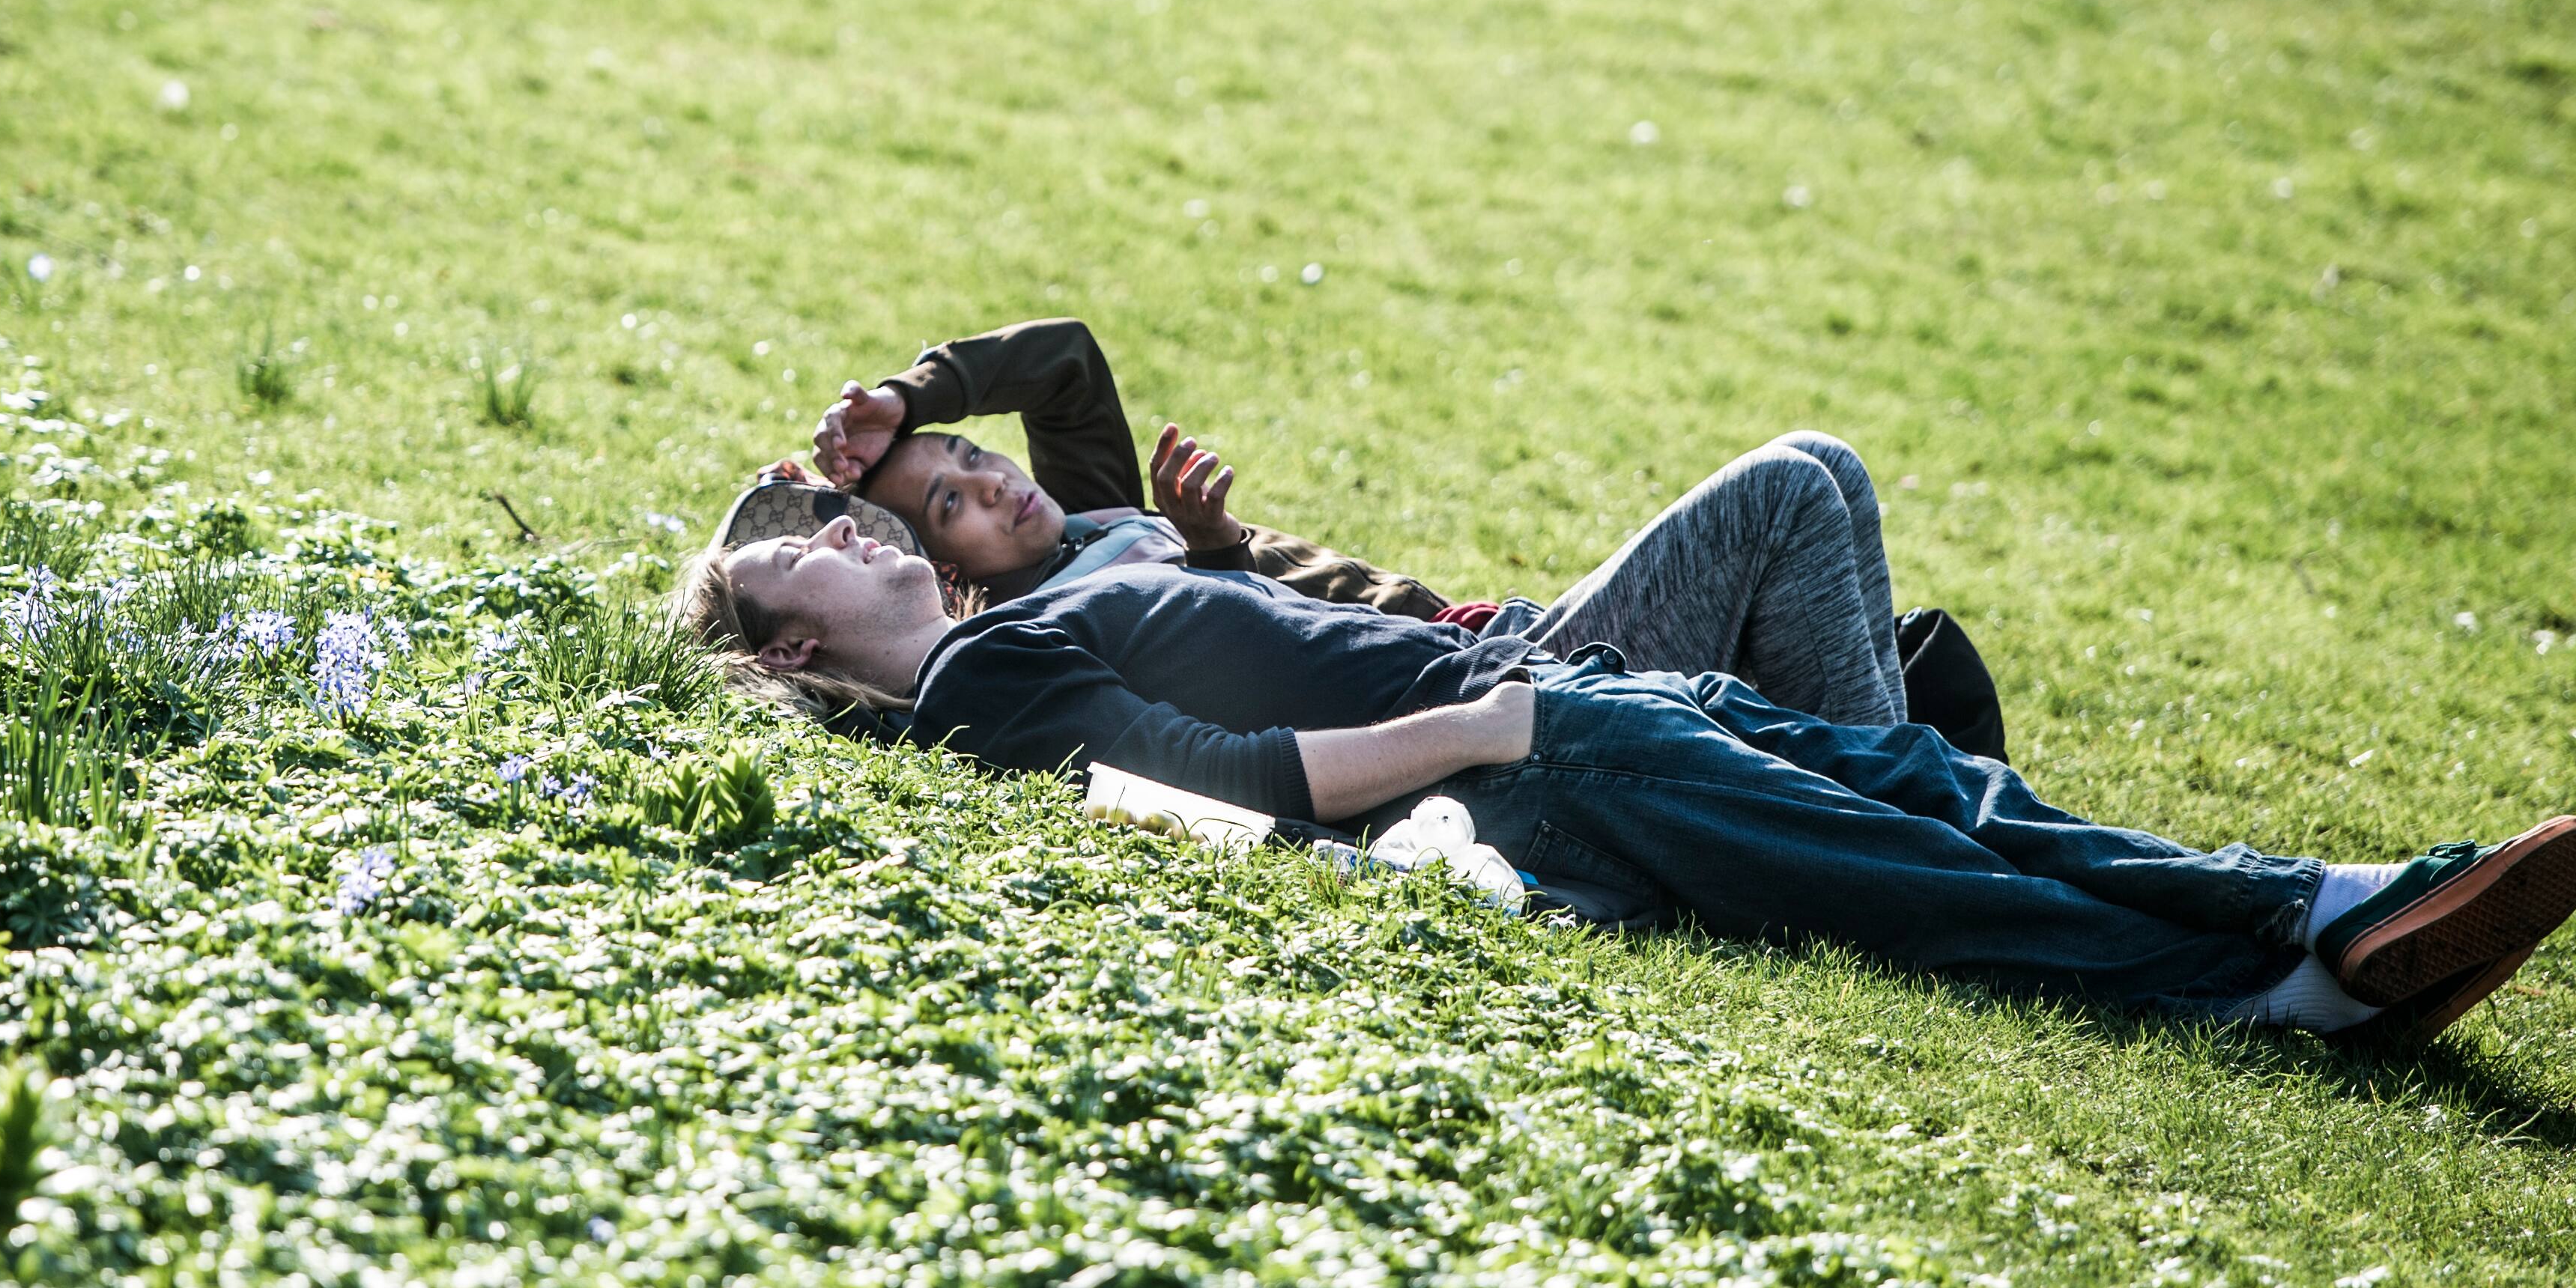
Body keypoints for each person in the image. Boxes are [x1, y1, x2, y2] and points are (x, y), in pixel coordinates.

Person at [676, 516, 2576, 1050]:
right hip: (1529, 760)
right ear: (783, 652)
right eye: (810, 553)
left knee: (1906, 779)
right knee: (1879, 851)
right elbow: (1230, 786)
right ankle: (2277, 975)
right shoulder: (981, 688)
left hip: (1536, 709)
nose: (850, 531)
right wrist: (1490, 733)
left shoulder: (1008, 634)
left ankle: (2326, 903)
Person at [801, 317, 1989, 748]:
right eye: (949, 503)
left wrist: (915, 398)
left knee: (1845, 511)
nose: (994, 480)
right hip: (1514, 681)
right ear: (945, 575)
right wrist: (1213, 551)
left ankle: (1904, 788)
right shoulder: (1046, 624)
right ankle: (1905, 811)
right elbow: (1252, 667)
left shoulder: (1099, 512)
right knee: (1787, 488)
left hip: (1497, 630)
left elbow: (1062, 357)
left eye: (973, 454)